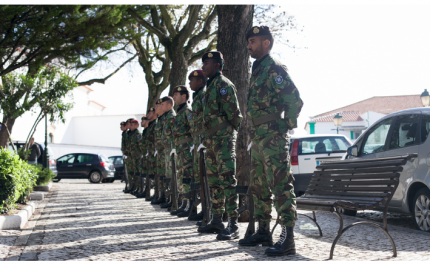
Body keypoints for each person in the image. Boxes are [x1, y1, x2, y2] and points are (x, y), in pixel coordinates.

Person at [238, 26, 304, 257]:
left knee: (280, 185)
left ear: (266, 43)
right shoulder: (257, 70)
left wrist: (286, 125)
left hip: (272, 137)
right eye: (248, 41)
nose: (249, 45)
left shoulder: (274, 68)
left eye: (253, 41)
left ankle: (288, 238)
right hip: (257, 138)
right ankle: (264, 231)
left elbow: (294, 100)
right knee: (259, 186)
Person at [197, 51, 243, 241]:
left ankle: (233, 223)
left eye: (206, 63)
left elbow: (235, 115)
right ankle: (217, 219)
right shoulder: (210, 86)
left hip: (223, 140)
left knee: (227, 181)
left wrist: (227, 134)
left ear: (217, 64)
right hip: (211, 141)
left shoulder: (224, 85)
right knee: (214, 181)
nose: (203, 67)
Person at [187, 70, 207, 222]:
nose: (189, 84)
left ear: (200, 81)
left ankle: (209, 211)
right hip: (197, 141)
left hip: (205, 140)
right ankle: (205, 209)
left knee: (206, 177)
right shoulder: (197, 96)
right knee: (200, 177)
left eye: (191, 80)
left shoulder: (204, 94)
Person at [171, 85, 194, 216]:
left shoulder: (187, 111)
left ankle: (190, 205)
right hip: (180, 149)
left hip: (186, 149)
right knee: (181, 176)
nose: (174, 97)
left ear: (183, 96)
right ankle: (184, 202)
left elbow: (193, 130)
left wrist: (193, 146)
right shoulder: (179, 112)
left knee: (187, 176)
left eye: (176, 95)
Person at [160, 96, 177, 211]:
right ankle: (170, 200)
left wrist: (174, 147)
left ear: (169, 105)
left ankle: (175, 201)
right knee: (168, 175)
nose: (161, 106)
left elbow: (175, 133)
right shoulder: (166, 117)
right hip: (167, 149)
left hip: (171, 149)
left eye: (163, 104)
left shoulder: (172, 116)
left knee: (173, 175)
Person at [152, 99, 169, 205]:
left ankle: (169, 197)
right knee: (161, 174)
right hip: (161, 151)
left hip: (166, 150)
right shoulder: (160, 120)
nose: (156, 108)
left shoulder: (167, 118)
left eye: (158, 106)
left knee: (168, 175)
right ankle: (162, 195)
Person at [144, 107, 158, 201]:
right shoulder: (150, 125)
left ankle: (160, 194)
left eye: (149, 113)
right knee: (153, 173)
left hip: (156, 152)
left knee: (157, 173)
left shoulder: (156, 123)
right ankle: (156, 194)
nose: (148, 115)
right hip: (151, 152)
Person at [128, 119, 142, 197]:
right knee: (134, 173)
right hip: (133, 157)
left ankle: (140, 188)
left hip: (138, 157)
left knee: (138, 173)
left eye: (132, 124)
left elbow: (141, 145)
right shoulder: (132, 134)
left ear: (137, 125)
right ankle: (136, 188)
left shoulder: (138, 134)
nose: (131, 126)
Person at [120, 121, 127, 189]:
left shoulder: (126, 133)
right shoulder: (124, 133)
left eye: (122, 126)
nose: (120, 127)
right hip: (125, 153)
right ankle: (128, 185)